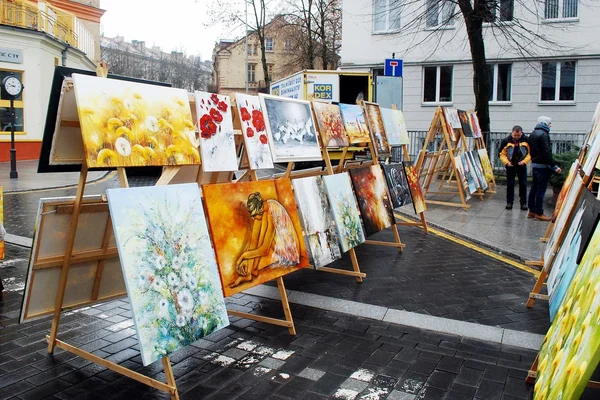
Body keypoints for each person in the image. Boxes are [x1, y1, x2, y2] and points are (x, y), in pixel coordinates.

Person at [230, 192, 300, 288]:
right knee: (258, 229)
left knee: (262, 230)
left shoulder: (271, 212)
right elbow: (253, 240)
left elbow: (264, 250)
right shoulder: (266, 207)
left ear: (260, 210)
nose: (253, 218)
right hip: (282, 244)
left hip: (289, 252)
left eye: (254, 215)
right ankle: (249, 273)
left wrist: (243, 256)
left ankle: (251, 270)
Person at [527, 116, 561, 221]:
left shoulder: (533, 133)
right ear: (545, 123)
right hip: (543, 166)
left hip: (535, 164)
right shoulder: (544, 134)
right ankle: (539, 212)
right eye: (550, 123)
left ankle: (531, 210)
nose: (551, 125)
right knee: (541, 190)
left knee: (534, 188)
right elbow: (546, 152)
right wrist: (554, 166)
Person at [499, 125, 531, 210]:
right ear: (512, 132)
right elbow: (501, 154)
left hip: (522, 165)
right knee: (510, 184)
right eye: (515, 135)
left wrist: (524, 162)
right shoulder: (506, 140)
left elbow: (530, 154)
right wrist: (507, 162)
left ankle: (523, 203)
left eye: (518, 136)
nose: (516, 137)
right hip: (510, 165)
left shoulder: (526, 140)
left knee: (523, 184)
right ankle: (509, 203)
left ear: (521, 133)